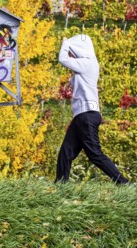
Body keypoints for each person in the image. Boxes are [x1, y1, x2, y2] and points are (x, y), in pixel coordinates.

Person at [55, 34, 129, 184]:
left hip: (87, 114)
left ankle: (123, 183)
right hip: (82, 115)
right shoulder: (87, 64)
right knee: (66, 151)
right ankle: (60, 185)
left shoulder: (87, 63)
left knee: (95, 154)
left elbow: (63, 59)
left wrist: (66, 44)